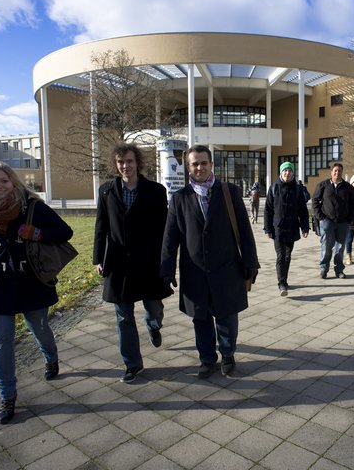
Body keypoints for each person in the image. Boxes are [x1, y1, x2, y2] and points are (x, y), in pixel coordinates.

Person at [0, 162, 73, 424]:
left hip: (31, 281)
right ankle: (7, 396)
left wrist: (37, 233)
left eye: (4, 180)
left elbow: (65, 231)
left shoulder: (32, 207)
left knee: (39, 328)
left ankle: (50, 357)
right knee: (1, 341)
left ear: (13, 182)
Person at [161, 145, 259, 379]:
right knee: (201, 318)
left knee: (226, 316)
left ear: (212, 164)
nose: (200, 167)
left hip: (226, 267)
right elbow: (170, 236)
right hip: (194, 271)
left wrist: (250, 261)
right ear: (188, 167)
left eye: (204, 163)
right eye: (195, 164)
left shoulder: (229, 192)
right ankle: (207, 358)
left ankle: (227, 355)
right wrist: (166, 269)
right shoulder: (180, 198)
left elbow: (244, 230)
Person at [93, 143, 170, 384]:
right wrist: (97, 258)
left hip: (149, 263)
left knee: (154, 306)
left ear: (137, 162)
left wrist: (167, 259)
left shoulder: (156, 191)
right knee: (123, 316)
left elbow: (164, 229)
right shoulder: (106, 191)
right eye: (120, 162)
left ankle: (153, 324)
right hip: (119, 265)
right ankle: (132, 364)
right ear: (115, 165)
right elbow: (101, 227)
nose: (125, 166)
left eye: (129, 161)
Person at [264, 162, 310, 296]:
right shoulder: (274, 187)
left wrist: (305, 227)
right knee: (281, 255)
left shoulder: (297, 189)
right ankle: (282, 284)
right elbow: (267, 210)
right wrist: (268, 228)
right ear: (281, 172)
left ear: (293, 173)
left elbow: (303, 210)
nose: (287, 173)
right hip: (278, 228)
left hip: (292, 228)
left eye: (290, 171)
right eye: (285, 171)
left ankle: (284, 279)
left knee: (288, 256)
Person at [312, 162, 354, 279]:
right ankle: (324, 269)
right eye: (335, 171)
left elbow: (353, 204)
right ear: (331, 172)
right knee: (326, 246)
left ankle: (339, 270)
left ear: (342, 173)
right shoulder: (323, 185)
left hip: (343, 222)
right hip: (327, 221)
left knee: (340, 248)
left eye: (339, 171)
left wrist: (350, 219)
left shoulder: (348, 187)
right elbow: (315, 201)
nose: (337, 173)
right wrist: (320, 217)